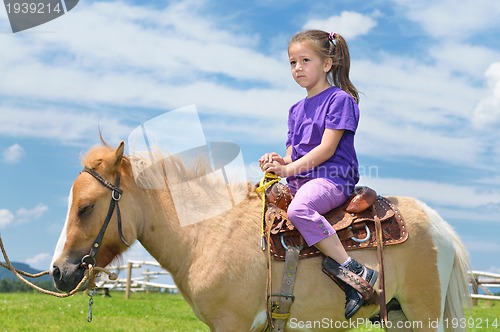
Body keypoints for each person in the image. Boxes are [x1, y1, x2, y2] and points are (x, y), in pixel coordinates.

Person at [259, 29, 378, 319]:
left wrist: (288, 169)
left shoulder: (340, 100)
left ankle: (354, 269)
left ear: (327, 64)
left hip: (332, 178)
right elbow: (292, 154)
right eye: (292, 62)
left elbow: (326, 150)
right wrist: (278, 161)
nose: (297, 68)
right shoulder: (295, 110)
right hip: (303, 179)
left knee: (300, 210)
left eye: (305, 60)